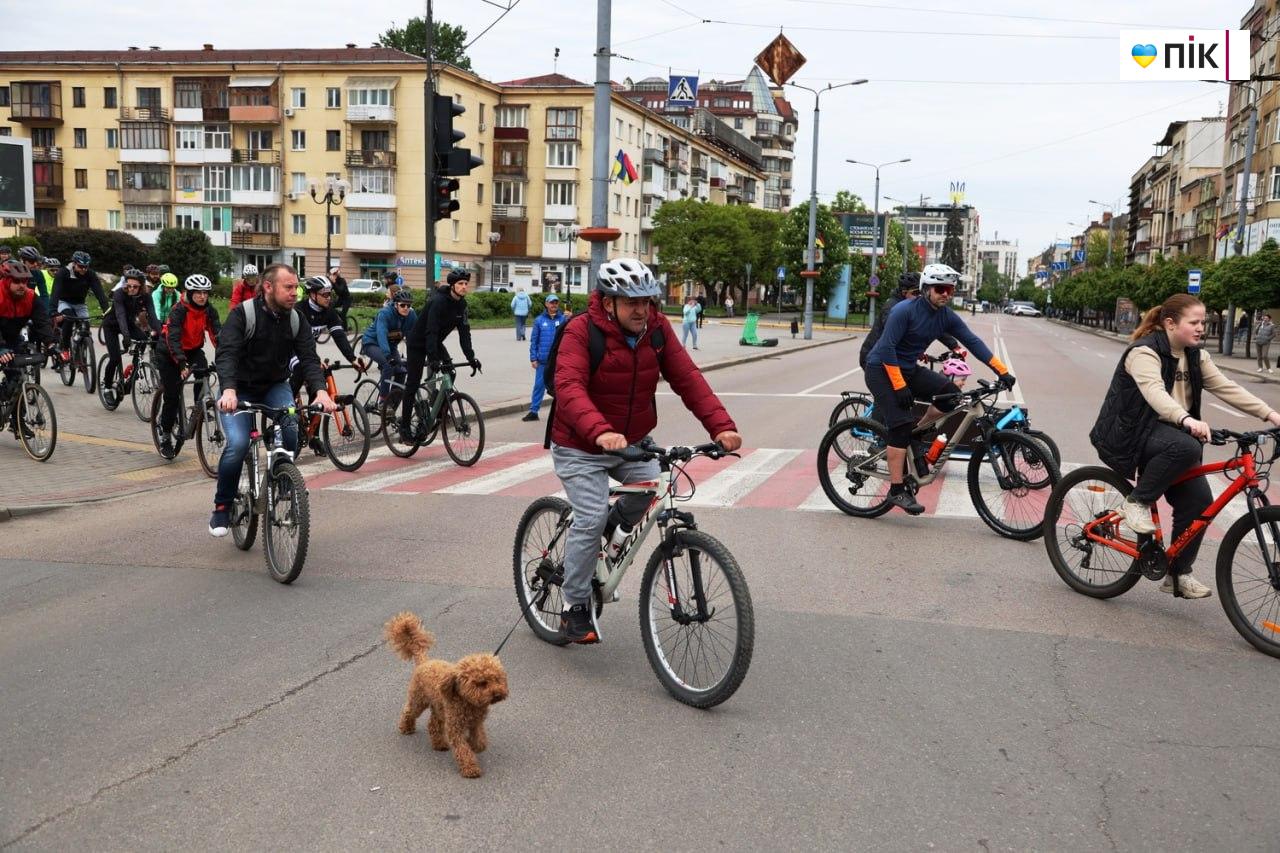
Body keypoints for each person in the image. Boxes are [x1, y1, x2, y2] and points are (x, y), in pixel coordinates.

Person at [550, 258, 741, 643]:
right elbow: (568, 386)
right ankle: (573, 606)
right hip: (580, 444)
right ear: (608, 303)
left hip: (631, 443)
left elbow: (687, 377)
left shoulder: (656, 329)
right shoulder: (580, 332)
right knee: (588, 517)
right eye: (630, 302)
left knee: (654, 487)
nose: (641, 309)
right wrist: (599, 430)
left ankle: (609, 524)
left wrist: (721, 425)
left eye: (647, 300)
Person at [1090, 294, 1280, 599]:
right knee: (1187, 446)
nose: (1201, 327)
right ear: (1170, 323)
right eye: (1194, 322)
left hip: (1173, 435)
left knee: (1199, 502)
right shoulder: (1144, 352)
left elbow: (1227, 387)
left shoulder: (1195, 355)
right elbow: (1154, 392)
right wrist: (1185, 420)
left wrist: (1272, 415)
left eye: (1203, 321)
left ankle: (1178, 574)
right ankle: (1136, 502)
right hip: (1134, 432)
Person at [866, 263, 1015, 515]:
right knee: (899, 424)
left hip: (909, 369)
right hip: (881, 368)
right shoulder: (904, 311)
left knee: (951, 396)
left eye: (950, 289)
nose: (946, 293)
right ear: (926, 289)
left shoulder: (946, 316)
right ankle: (896, 489)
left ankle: (917, 430)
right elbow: (888, 348)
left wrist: (1001, 370)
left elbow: (973, 342)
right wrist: (900, 386)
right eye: (940, 288)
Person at [210, 264, 337, 537]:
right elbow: (227, 354)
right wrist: (229, 391)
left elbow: (308, 358)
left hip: (274, 386)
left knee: (291, 428)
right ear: (268, 287)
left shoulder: (296, 319)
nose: (295, 293)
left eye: (296, 287)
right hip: (239, 389)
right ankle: (222, 505)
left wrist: (320, 391)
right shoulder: (243, 315)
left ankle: (281, 480)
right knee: (239, 444)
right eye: (288, 287)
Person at [399, 269, 480, 442]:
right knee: (413, 383)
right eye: (460, 284)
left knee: (450, 373)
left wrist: (471, 357)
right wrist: (434, 359)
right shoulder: (438, 302)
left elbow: (465, 333)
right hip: (418, 343)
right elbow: (431, 331)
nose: (464, 287)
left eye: (466, 284)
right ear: (452, 285)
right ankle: (405, 428)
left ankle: (436, 409)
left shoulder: (462, 305)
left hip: (435, 342)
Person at [152, 273, 220, 456]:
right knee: (172, 395)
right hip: (168, 352)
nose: (202, 296)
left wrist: (225, 358)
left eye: (205, 293)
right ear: (189, 293)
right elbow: (172, 338)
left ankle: (197, 410)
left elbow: (217, 335)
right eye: (198, 293)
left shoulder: (208, 310)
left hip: (193, 350)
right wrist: (181, 364)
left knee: (204, 373)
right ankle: (165, 435)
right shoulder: (179, 310)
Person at [859, 272, 961, 370]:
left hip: (895, 357)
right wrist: (917, 351)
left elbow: (932, 325)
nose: (920, 297)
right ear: (904, 293)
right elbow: (899, 336)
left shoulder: (914, 306)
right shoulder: (892, 308)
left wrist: (954, 346)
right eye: (916, 293)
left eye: (922, 292)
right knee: (899, 386)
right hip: (873, 358)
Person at [294, 274, 363, 405]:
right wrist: (315, 360)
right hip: (291, 352)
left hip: (308, 353)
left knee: (318, 385)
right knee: (298, 375)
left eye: (330, 294)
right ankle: (286, 414)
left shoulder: (329, 312)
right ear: (313, 295)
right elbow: (295, 344)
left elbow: (340, 337)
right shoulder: (299, 310)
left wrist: (352, 359)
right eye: (325, 295)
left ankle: (314, 416)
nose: (329, 298)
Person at [100, 268, 161, 398]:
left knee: (143, 339)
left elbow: (153, 316)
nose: (131, 289)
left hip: (128, 324)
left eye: (135, 286)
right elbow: (120, 315)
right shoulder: (119, 294)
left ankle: (134, 368)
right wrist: (126, 336)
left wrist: (160, 334)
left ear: (141, 286)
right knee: (115, 358)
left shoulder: (146, 296)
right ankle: (107, 387)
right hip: (111, 325)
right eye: (129, 286)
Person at [360, 287, 416, 405]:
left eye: (408, 305)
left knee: (401, 371)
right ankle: (383, 400)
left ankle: (391, 405)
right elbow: (381, 334)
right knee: (388, 366)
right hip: (372, 343)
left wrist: (416, 356)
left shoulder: (411, 315)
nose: (406, 308)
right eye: (402, 305)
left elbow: (414, 336)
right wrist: (387, 356)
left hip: (391, 345)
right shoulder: (385, 313)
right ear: (395, 305)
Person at [51, 250, 108, 360]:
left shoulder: (90, 274)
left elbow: (99, 293)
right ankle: (65, 349)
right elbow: (55, 293)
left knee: (85, 328)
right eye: (81, 266)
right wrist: (53, 310)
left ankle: (79, 355)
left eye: (86, 267)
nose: (84, 269)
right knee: (69, 318)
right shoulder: (63, 273)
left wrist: (106, 310)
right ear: (74, 263)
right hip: (64, 302)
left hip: (80, 304)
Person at [522, 293, 566, 422]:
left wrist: (570, 319)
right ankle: (534, 411)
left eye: (556, 303)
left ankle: (563, 413)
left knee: (562, 386)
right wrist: (533, 358)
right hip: (543, 360)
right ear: (546, 304)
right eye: (551, 303)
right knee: (539, 386)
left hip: (559, 360)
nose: (554, 305)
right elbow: (534, 341)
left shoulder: (563, 319)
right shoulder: (539, 320)